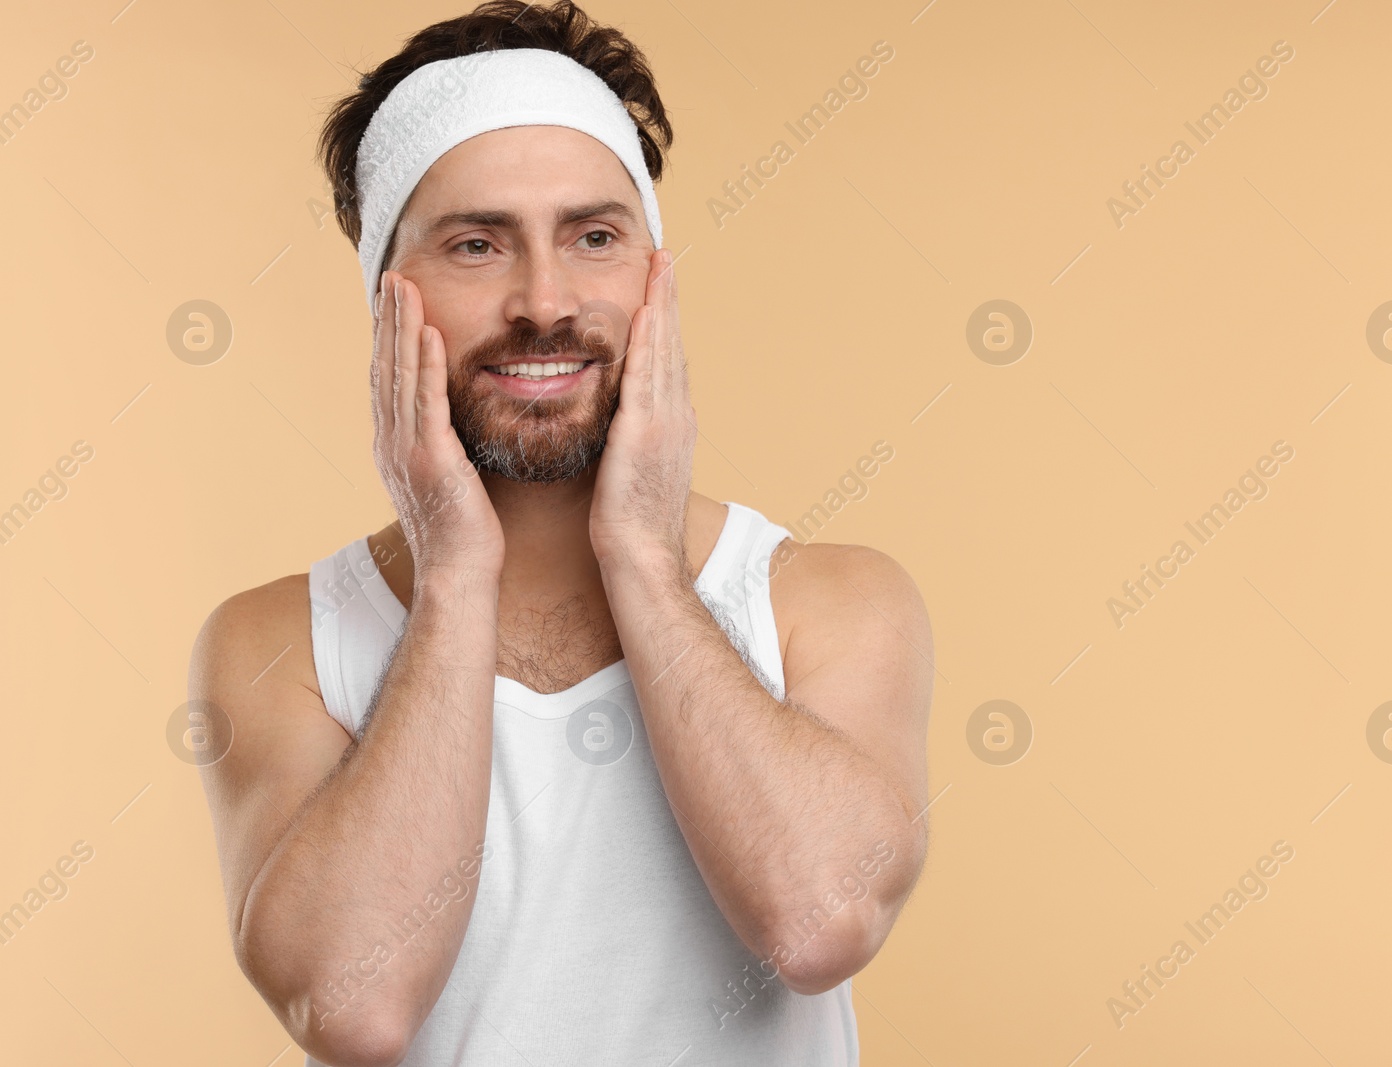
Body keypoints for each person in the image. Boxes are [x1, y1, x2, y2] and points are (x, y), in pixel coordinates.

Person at [185, 3, 933, 1064]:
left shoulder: (829, 603)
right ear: (385, 296)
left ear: (652, 276)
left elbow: (818, 923)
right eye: (477, 243)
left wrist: (639, 551)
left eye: (593, 236)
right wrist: (452, 570)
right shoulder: (280, 644)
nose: (545, 301)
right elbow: (354, 1007)